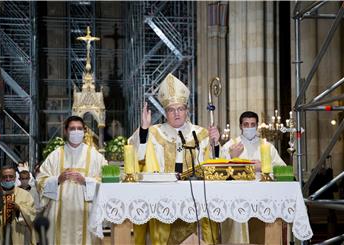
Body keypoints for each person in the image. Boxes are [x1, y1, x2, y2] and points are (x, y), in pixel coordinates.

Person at [129, 73, 220, 245]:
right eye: (171, 110)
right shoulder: (154, 132)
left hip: (196, 202)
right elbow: (136, 154)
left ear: (187, 110)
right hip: (164, 199)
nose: (176, 113)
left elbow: (213, 164)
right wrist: (143, 129)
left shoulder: (201, 133)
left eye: (180, 109)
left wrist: (215, 144)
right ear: (165, 112)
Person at [37, 115, 107, 245]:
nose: (76, 132)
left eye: (79, 128)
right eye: (72, 128)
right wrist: (57, 179)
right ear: (66, 131)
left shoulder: (95, 156)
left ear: (85, 131)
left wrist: (86, 181)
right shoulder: (55, 155)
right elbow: (40, 180)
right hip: (59, 211)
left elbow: (106, 182)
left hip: (86, 211)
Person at [220, 111, 286, 244]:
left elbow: (283, 171)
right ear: (240, 126)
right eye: (246, 124)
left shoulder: (267, 146)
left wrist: (264, 167)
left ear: (256, 126)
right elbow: (220, 173)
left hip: (263, 199)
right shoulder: (230, 146)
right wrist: (233, 158)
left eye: (252, 124)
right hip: (238, 199)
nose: (249, 127)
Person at [0, 165, 36, 245]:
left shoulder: (25, 195)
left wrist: (19, 209)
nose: (8, 179)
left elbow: (32, 215)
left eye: (11, 176)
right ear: (0, 178)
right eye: (5, 177)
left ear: (15, 178)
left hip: (18, 234)